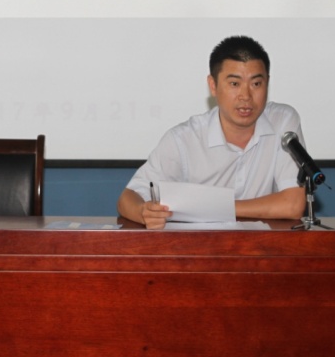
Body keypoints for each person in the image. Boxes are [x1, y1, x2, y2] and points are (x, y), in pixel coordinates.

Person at [117, 35, 306, 228]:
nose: (246, 96)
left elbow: (292, 205)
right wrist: (143, 212)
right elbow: (128, 198)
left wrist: (211, 208)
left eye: (256, 84)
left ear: (267, 83)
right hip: (200, 244)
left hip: (261, 245)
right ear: (213, 85)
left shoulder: (283, 121)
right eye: (234, 84)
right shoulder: (184, 139)